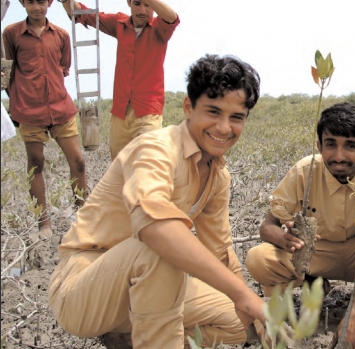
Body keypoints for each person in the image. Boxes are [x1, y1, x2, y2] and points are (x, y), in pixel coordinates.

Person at [48, 54, 266, 348]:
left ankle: (131, 338)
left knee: (241, 324)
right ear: (188, 107)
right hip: (83, 289)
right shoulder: (156, 147)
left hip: (147, 285)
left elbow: (219, 250)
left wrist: (245, 299)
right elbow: (155, 228)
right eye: (213, 112)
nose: (224, 128)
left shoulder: (217, 175)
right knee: (160, 247)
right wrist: (242, 294)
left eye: (236, 117)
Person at [246, 103, 355, 349]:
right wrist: (282, 238)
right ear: (319, 146)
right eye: (330, 144)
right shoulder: (304, 171)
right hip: (317, 254)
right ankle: (315, 286)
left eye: (350, 146)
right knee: (257, 258)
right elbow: (267, 226)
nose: (338, 156)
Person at [3, 0, 88, 240]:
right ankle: (44, 224)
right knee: (36, 163)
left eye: (41, 1)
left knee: (78, 161)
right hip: (29, 110)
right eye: (30, 1)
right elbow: (7, 71)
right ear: (23, 3)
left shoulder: (61, 36)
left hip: (61, 108)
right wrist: (19, 99)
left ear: (49, 2)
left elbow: (63, 68)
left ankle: (84, 216)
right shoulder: (11, 34)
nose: (36, 7)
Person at [60, 0, 179, 160]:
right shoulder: (119, 23)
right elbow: (84, 14)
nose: (143, 10)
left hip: (147, 111)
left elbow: (172, 17)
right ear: (129, 3)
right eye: (137, 3)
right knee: (119, 167)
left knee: (148, 164)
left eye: (148, 5)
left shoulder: (159, 28)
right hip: (120, 112)